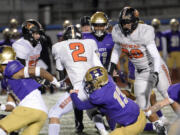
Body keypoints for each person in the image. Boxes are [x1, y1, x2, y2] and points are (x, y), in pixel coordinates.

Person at [108, 6, 171, 135]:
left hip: (154, 66)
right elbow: (116, 51)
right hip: (140, 70)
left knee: (169, 95)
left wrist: (156, 73)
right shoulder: (119, 34)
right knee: (142, 103)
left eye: (128, 22)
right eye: (123, 23)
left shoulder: (145, 33)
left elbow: (155, 55)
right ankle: (158, 125)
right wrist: (111, 68)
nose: (125, 26)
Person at [48, 25, 108, 135]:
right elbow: (100, 67)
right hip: (96, 86)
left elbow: (60, 76)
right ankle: (104, 132)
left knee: (54, 113)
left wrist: (59, 83)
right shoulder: (90, 43)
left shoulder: (58, 46)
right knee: (92, 111)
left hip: (79, 88)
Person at [0, 46, 60, 135]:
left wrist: (55, 82)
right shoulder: (7, 79)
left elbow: (39, 71)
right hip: (41, 113)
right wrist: (2, 107)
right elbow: (11, 105)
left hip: (28, 109)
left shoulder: (11, 69)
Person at [70, 66, 146, 135]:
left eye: (90, 83)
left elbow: (80, 106)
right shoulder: (109, 79)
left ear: (98, 83)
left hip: (132, 124)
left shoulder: (99, 97)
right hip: (138, 112)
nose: (88, 85)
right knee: (107, 112)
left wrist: (73, 94)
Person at [164, 18, 180, 83]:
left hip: (179, 52)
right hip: (171, 52)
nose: (175, 27)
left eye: (175, 26)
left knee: (179, 67)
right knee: (170, 68)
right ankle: (169, 81)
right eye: (174, 25)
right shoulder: (168, 33)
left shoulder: (178, 33)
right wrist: (168, 51)